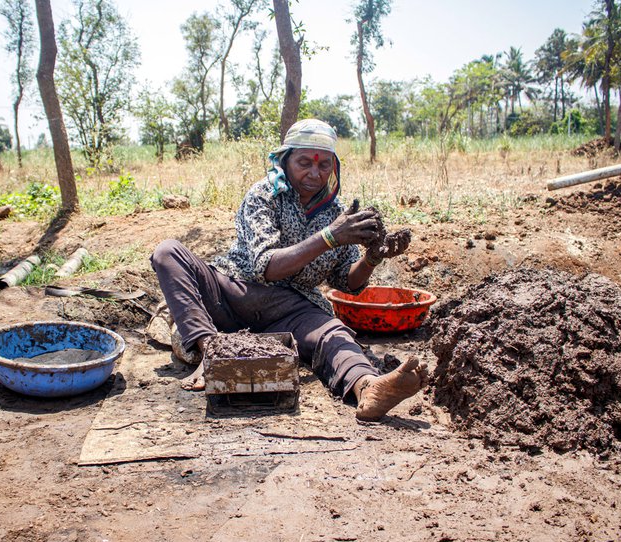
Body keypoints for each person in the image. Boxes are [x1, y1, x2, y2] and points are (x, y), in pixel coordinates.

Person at [150, 119, 428, 422]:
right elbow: (266, 266)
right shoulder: (263, 196)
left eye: (323, 166)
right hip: (232, 293)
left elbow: (347, 283)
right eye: (304, 162)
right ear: (285, 161)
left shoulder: (337, 214)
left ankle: (368, 387)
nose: (314, 173)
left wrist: (372, 258)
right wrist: (329, 237)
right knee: (168, 253)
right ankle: (211, 352)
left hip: (291, 311)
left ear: (333, 167)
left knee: (333, 333)